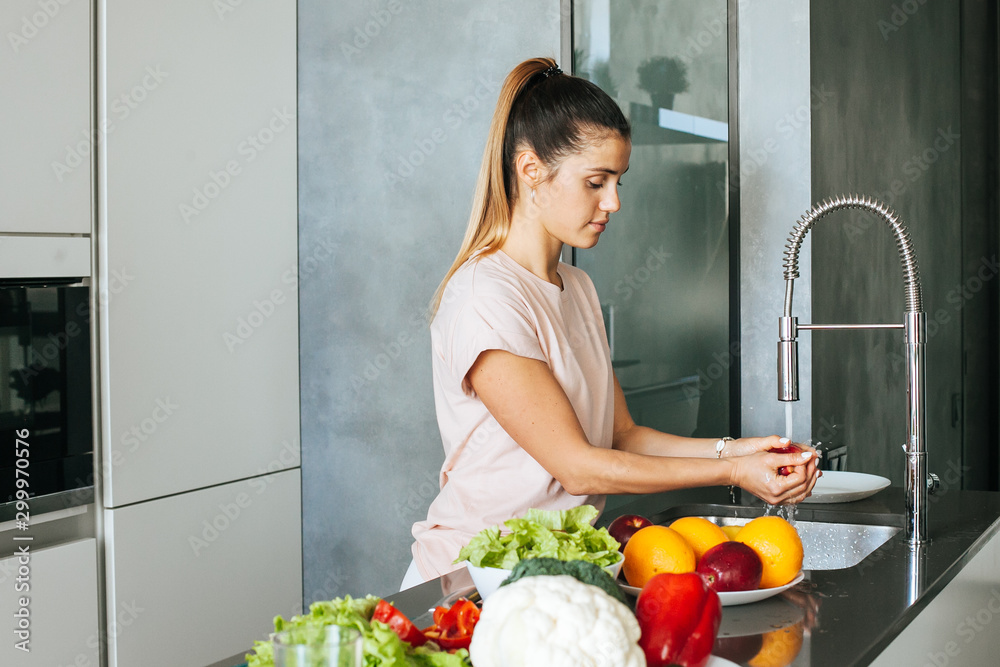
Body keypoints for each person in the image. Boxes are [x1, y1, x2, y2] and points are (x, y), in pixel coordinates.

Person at [402, 57, 819, 590]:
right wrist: (732, 472)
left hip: (555, 573)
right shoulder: (487, 297)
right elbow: (578, 467)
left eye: (618, 181)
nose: (613, 202)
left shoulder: (576, 288)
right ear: (531, 170)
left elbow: (623, 437)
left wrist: (739, 450)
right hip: (473, 579)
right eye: (595, 182)